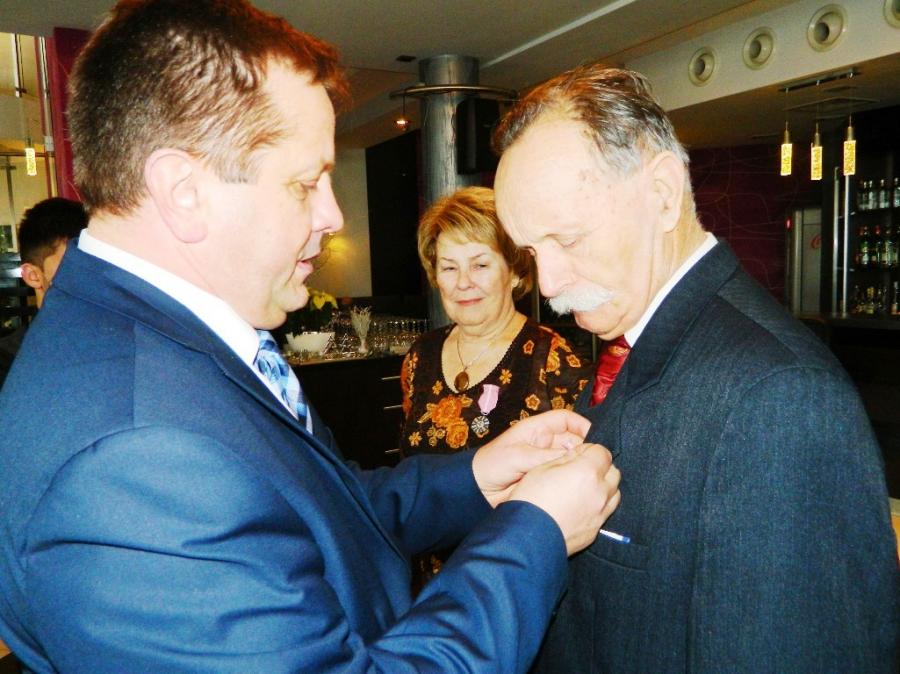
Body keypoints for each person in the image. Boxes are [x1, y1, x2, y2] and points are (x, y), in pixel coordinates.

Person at [0, 2, 622, 672]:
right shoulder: (137, 458)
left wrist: (477, 476)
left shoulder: (171, 342)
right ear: (183, 192)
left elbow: (326, 513)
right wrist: (534, 532)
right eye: (305, 184)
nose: (333, 216)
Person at [492, 65, 900, 673]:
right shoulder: (635, 335)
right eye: (530, 250)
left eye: (568, 240)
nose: (547, 283)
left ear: (662, 193)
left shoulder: (778, 397)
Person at [400, 186, 592, 455]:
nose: (463, 282)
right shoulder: (421, 355)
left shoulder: (552, 359)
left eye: (480, 265)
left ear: (514, 272)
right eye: (449, 267)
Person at [0, 197, 87, 387]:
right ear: (33, 276)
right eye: (72, 265)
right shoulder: (9, 363)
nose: (89, 276)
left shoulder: (123, 343)